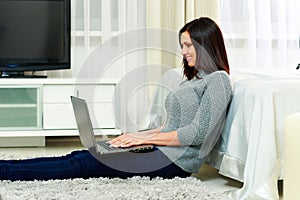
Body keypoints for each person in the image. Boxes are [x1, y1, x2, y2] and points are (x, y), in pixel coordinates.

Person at [0, 17, 232, 181]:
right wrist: (135, 136)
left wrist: (142, 142)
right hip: (160, 152)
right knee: (82, 155)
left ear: (205, 43)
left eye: (188, 45)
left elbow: (197, 133)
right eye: (182, 45)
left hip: (175, 163)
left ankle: (6, 173)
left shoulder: (218, 80)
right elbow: (169, 126)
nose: (183, 51)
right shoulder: (192, 80)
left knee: (82, 165)